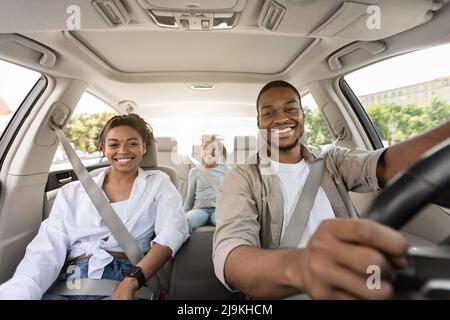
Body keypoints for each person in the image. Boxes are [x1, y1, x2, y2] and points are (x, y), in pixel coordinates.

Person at [212, 80, 450, 299]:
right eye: (268, 113)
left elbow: (383, 164)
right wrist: (303, 267)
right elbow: (231, 255)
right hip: (286, 292)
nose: (281, 118)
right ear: (259, 122)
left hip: (355, 284)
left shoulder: (331, 159)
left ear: (303, 115)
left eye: (290, 108)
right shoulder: (242, 176)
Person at [0, 114, 189, 300]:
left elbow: (172, 232)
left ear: (144, 147)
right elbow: (47, 247)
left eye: (132, 143)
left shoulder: (159, 183)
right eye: (114, 144)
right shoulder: (72, 191)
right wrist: (21, 291)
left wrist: (131, 282)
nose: (123, 151)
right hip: (67, 282)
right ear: (103, 148)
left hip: (124, 278)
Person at [184, 135, 229, 233]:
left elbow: (232, 195)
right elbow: (189, 198)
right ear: (201, 152)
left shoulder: (227, 170)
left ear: (220, 153)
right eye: (205, 148)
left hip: (219, 209)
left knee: (227, 223)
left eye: (214, 149)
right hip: (200, 210)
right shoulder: (194, 172)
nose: (209, 152)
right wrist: (183, 215)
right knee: (184, 222)